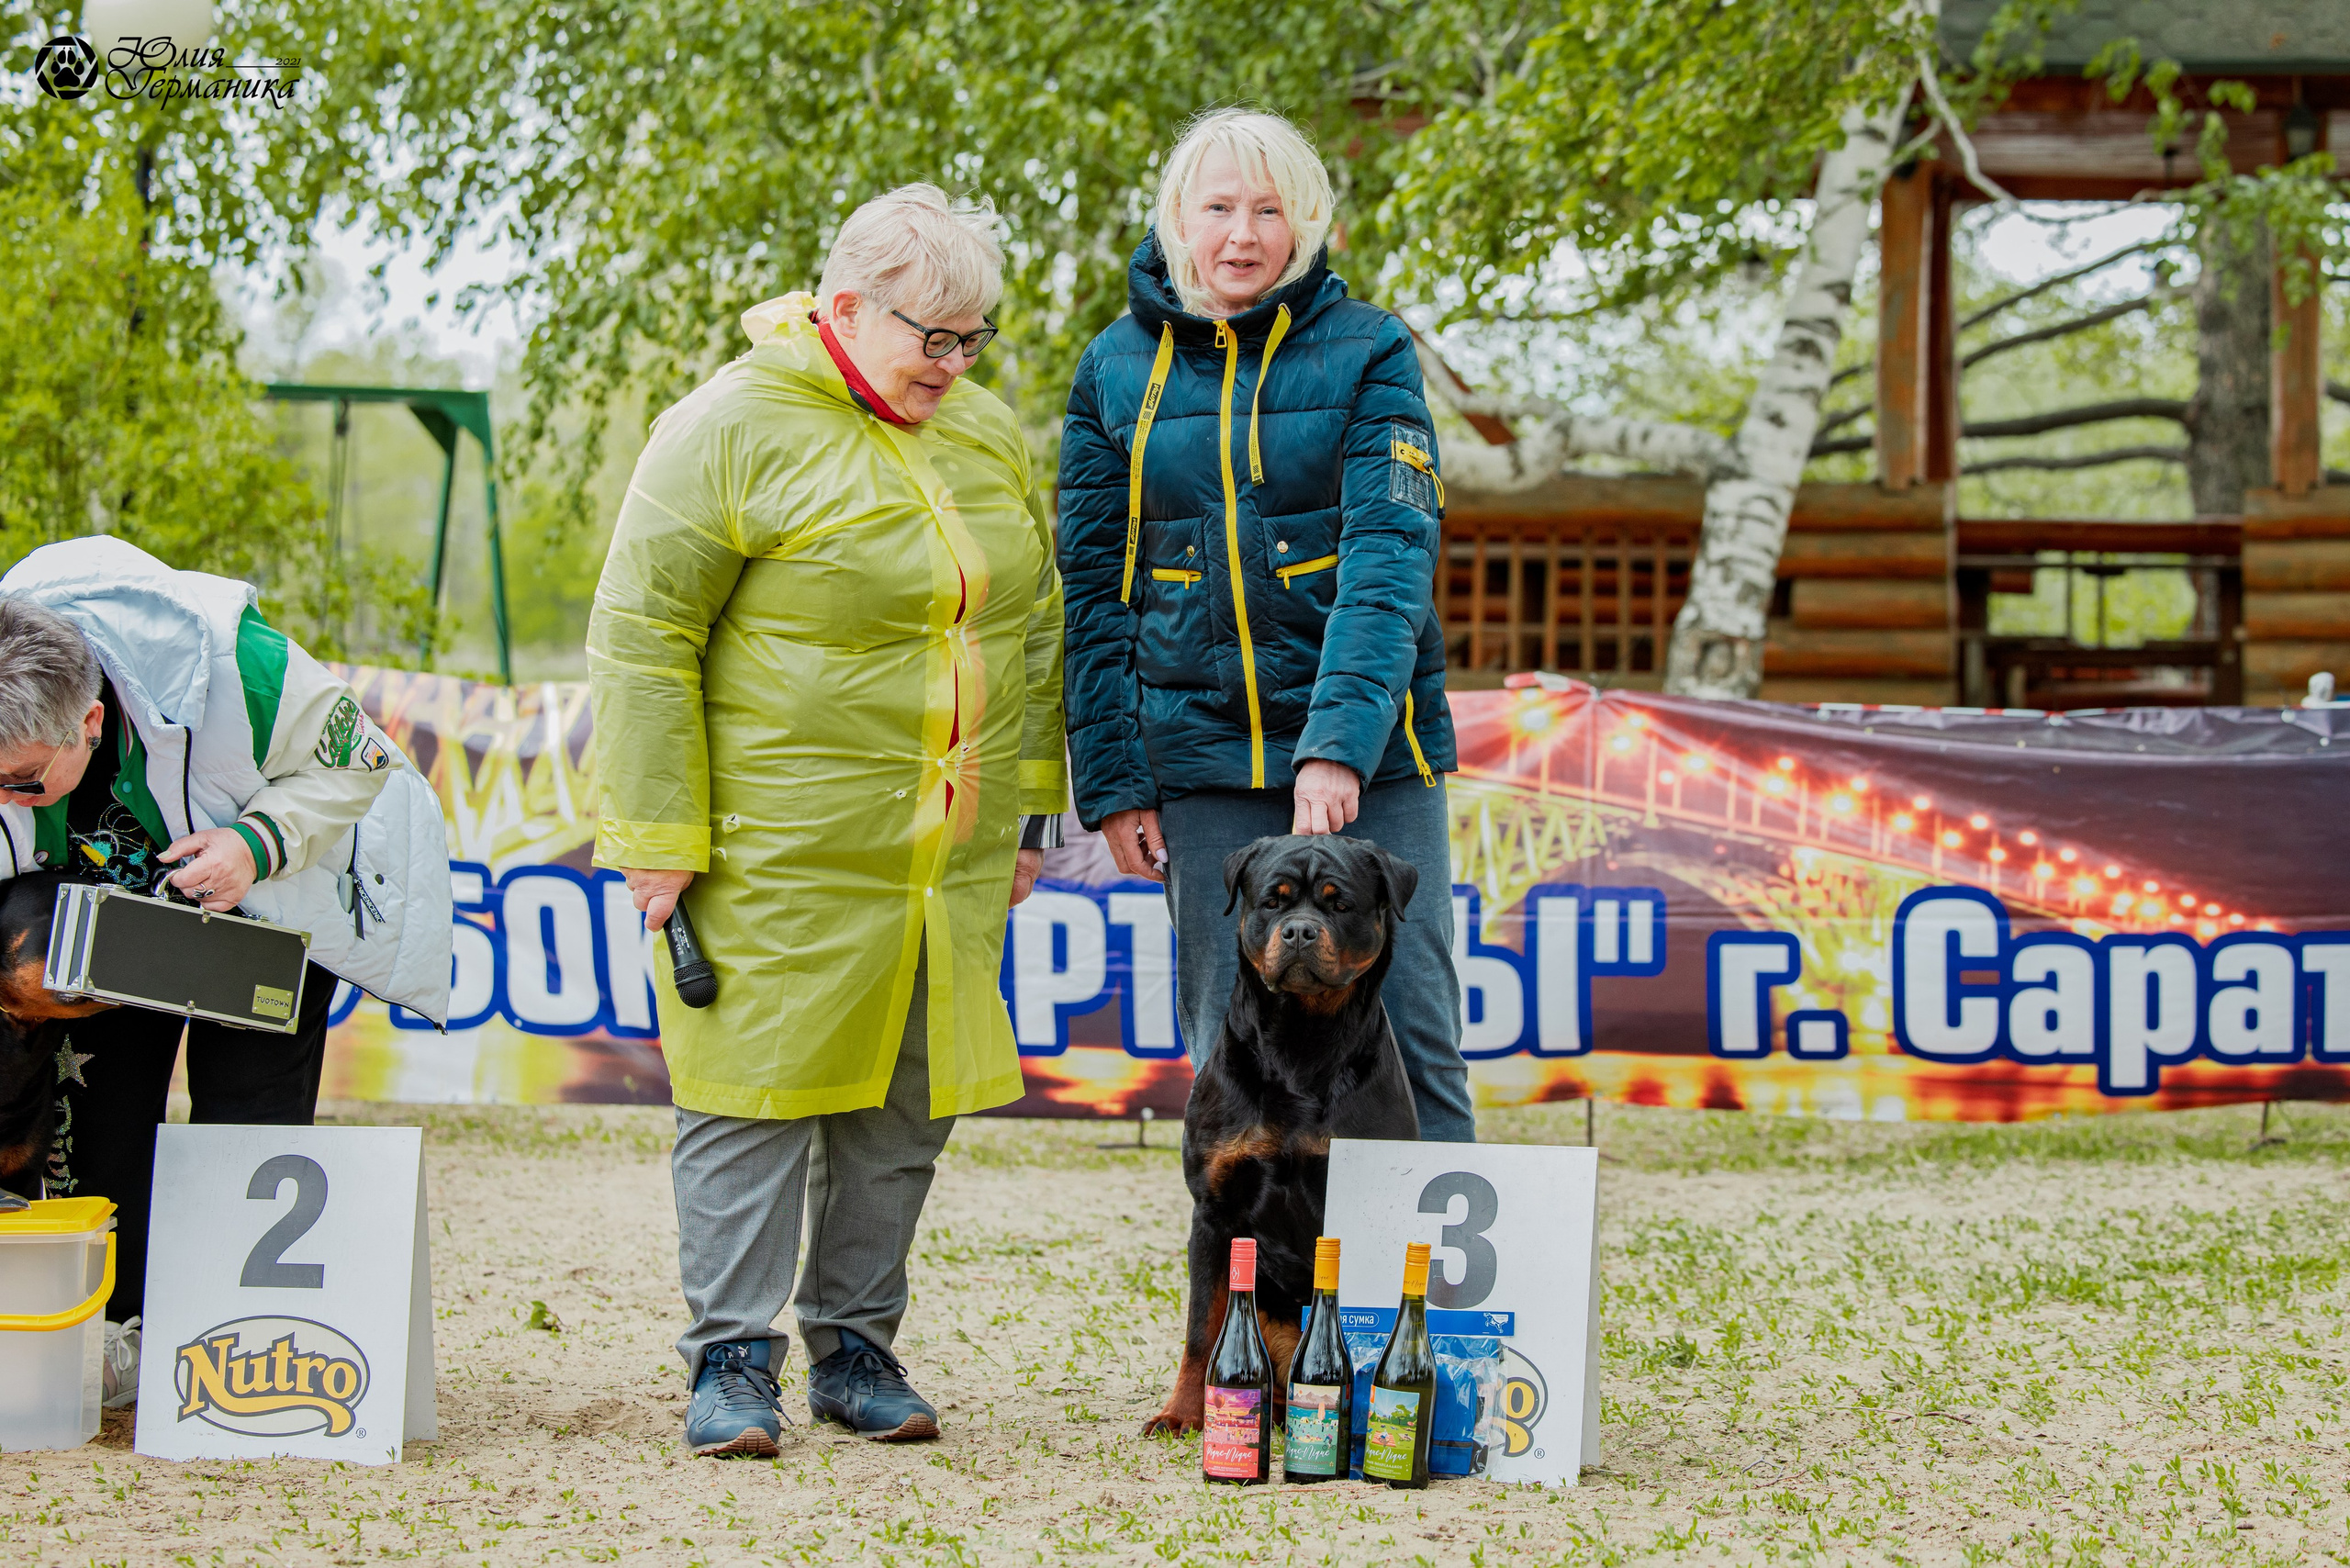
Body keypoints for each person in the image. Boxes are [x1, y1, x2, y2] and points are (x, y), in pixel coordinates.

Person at [589, 184, 1067, 1458]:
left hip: (942, 860)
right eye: (933, 336)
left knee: (907, 1104)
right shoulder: (727, 427)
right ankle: (731, 1365)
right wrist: (655, 824)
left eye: (975, 341)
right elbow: (642, 637)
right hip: (776, 841)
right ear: (843, 306)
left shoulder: (984, 435)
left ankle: (855, 1348)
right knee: (751, 1092)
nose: (954, 365)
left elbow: (1030, 626)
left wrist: (1027, 813)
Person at [1057, 108, 1474, 1141]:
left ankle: (1436, 1300)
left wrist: (1335, 747)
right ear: (1176, 221)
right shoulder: (1111, 369)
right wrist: (1114, 783)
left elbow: (1390, 561)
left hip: (1373, 758)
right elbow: (1093, 589)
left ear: (1307, 221)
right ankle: (1262, 1302)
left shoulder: (1374, 350)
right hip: (1197, 763)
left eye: (1268, 210)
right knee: (1228, 1048)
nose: (1241, 235)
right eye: (1217, 209)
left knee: (1415, 1035)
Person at [0, 539, 453, 1402]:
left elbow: (358, 761)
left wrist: (257, 843)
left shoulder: (237, 663)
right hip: (110, 924)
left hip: (268, 898)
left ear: (89, 725)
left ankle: (235, 1338)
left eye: (23, 782)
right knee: (101, 1120)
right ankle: (116, 1331)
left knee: (249, 1116)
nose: (6, 798)